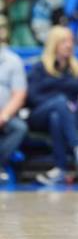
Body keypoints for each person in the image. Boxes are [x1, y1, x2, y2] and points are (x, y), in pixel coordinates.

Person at [27, 26, 78, 185]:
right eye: (64, 41)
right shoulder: (39, 68)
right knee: (59, 103)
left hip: (65, 118)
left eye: (71, 41)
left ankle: (61, 169)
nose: (69, 45)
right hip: (39, 116)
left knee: (57, 117)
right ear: (54, 44)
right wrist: (58, 103)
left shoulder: (76, 69)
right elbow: (32, 97)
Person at [0, 44, 28, 183]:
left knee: (19, 127)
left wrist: (3, 116)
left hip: (6, 115)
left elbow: (19, 95)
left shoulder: (13, 61)